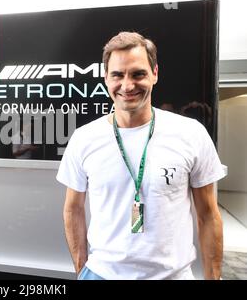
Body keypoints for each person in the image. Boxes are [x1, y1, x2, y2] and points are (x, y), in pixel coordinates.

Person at [57, 32, 225, 280]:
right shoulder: (84, 138)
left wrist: (214, 278)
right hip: (102, 274)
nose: (127, 86)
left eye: (138, 74)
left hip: (172, 276)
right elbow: (73, 209)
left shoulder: (190, 134)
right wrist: (82, 269)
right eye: (117, 75)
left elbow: (208, 214)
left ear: (154, 73)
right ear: (106, 78)